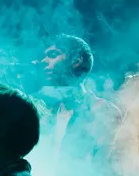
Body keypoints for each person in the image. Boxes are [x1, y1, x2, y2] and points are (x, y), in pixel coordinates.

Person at [36, 34, 121, 164]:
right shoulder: (39, 106)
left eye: (52, 55)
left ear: (76, 61)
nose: (44, 61)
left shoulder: (103, 110)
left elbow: (101, 169)